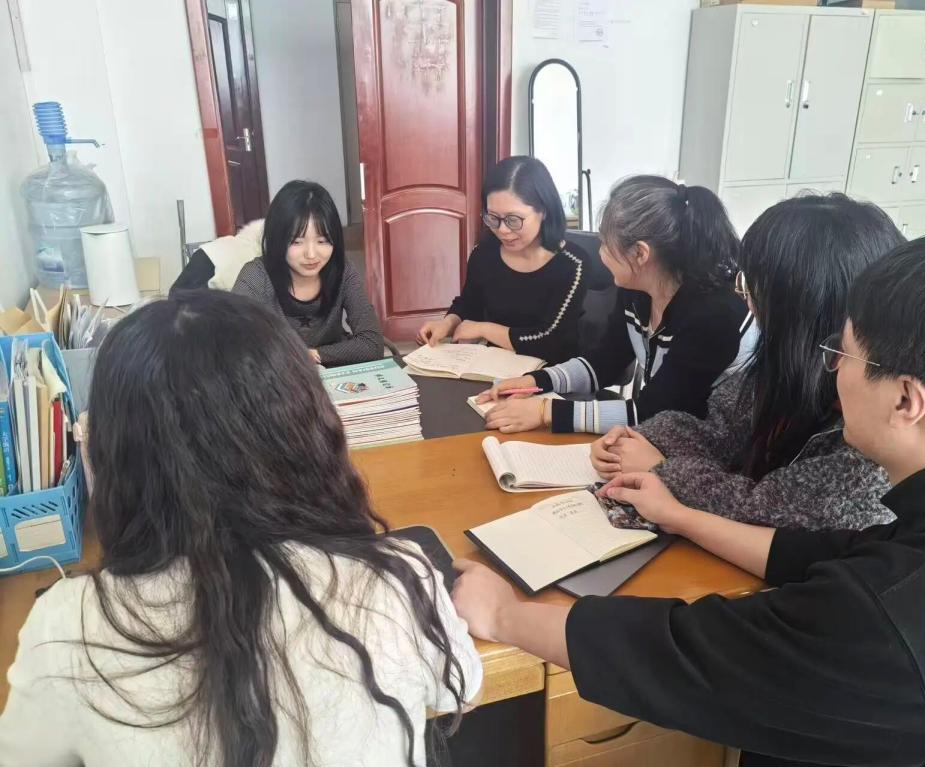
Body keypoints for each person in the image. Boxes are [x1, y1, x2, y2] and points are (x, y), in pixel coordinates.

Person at [451, 232, 925, 767]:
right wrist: (681, 516)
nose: (832, 371)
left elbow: (685, 654)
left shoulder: (897, 615)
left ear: (905, 400)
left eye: (844, 355)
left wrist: (504, 614)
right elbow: (826, 551)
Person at [0, 291, 481, 767]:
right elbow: (464, 686)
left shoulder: (65, 628)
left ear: (114, 451)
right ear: (305, 424)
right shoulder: (398, 577)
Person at [591, 193, 904, 529]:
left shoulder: (870, 422)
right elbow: (720, 427)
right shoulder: (786, 364)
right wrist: (638, 440)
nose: (746, 299)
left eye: (752, 287)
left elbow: (768, 510)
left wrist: (662, 469)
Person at [478, 175, 747, 435]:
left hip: (708, 446)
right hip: (661, 434)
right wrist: (536, 381)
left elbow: (656, 411)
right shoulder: (636, 289)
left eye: (606, 244)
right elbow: (605, 362)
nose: (600, 253)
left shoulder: (712, 316)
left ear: (640, 253)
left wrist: (545, 412)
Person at [416, 156, 587, 363]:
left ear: (543, 211)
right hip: (494, 366)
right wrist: (448, 323)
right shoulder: (484, 253)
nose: (502, 230)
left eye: (513, 219)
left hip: (551, 372)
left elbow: (552, 341)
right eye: (493, 218)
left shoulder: (572, 264)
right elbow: (470, 303)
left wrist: (484, 329)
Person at [233, 180, 383, 366]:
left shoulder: (342, 269)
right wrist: (296, 359)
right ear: (277, 239)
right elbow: (234, 346)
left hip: (334, 370)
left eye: (322, 241)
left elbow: (372, 343)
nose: (311, 255)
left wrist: (315, 355)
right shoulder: (256, 276)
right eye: (296, 242)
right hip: (279, 374)